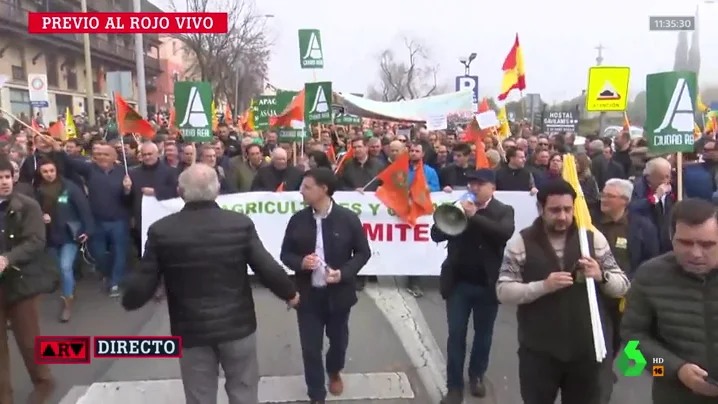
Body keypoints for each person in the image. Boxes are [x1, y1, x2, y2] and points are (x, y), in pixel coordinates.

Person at [121, 163, 299, 404]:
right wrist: (291, 294)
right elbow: (265, 267)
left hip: (190, 329)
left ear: (180, 192)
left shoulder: (162, 230)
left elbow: (143, 281)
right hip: (237, 325)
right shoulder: (238, 224)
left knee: (199, 395)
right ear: (217, 191)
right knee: (243, 390)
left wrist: (130, 298)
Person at [496, 179, 630, 404]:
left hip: (587, 352)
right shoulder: (521, 242)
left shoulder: (592, 239)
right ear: (540, 209)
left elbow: (622, 284)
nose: (562, 216)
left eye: (568, 209)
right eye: (555, 210)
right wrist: (543, 287)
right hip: (539, 351)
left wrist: (601, 276)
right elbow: (503, 290)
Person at [280, 168, 371, 404]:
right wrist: (300, 262)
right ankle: (316, 394)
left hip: (339, 295)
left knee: (338, 341)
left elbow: (363, 252)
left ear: (324, 190)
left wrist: (344, 273)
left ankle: (334, 370)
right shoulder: (298, 219)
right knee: (310, 349)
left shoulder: (348, 219)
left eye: (307, 187)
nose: (301, 191)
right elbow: (285, 253)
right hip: (308, 296)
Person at [430, 169, 515, 404]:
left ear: (492, 188)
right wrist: (446, 215)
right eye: (471, 183)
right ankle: (454, 386)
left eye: (480, 184)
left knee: (483, 335)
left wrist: (474, 216)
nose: (474, 187)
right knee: (456, 335)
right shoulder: (458, 204)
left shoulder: (503, 211)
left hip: (487, 284)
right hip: (458, 284)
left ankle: (476, 375)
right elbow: (436, 235)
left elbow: (503, 234)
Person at [621, 199, 718, 404]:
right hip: (674, 396)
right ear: (671, 238)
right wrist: (674, 369)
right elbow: (632, 342)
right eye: (685, 243)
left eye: (707, 244)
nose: (695, 253)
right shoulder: (649, 276)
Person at [0, 155, 58, 403]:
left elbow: (36, 241)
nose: (4, 182)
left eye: (6, 176)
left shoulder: (27, 205)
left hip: (21, 282)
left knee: (29, 340)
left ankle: (43, 381)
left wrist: (7, 259)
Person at [34, 159, 93, 322]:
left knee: (65, 267)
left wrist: (87, 230)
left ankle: (68, 301)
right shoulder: (37, 190)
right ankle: (70, 287)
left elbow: (84, 208)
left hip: (69, 234)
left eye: (51, 171)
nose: (49, 174)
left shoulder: (69, 188)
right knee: (60, 269)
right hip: (49, 236)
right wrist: (40, 216)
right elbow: (32, 211)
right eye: (45, 171)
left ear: (57, 170)